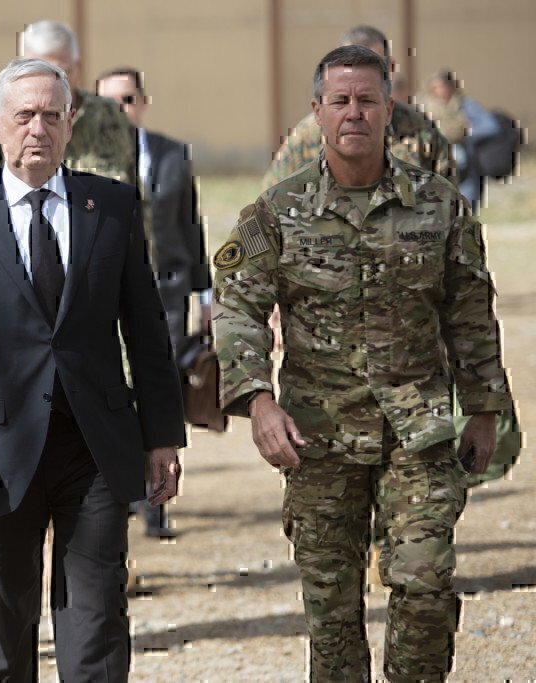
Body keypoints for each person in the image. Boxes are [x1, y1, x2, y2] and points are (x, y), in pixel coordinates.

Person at [213, 45, 511, 681]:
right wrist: (257, 400)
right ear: (317, 112)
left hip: (420, 433)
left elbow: (470, 312)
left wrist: (484, 411)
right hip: (318, 438)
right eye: (340, 101)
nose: (355, 112)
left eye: (367, 100)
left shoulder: (438, 205)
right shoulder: (277, 213)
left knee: (425, 585)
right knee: (332, 609)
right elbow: (236, 309)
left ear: (389, 110)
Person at [0, 58, 185, 682]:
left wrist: (162, 435)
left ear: (71, 123)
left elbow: (146, 329)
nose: (38, 128)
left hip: (96, 445)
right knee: (3, 620)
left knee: (96, 618)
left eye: (52, 115)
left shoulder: (109, 207)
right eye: (24, 116)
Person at [96, 66, 211, 537]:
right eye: (109, 103)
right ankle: (121, 491)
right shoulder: (86, 159)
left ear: (142, 101)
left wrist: (205, 296)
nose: (120, 110)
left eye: (126, 99)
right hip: (108, 296)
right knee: (116, 392)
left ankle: (157, 495)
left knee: (161, 390)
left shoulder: (169, 155)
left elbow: (191, 226)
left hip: (166, 293)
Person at [263, 25, 454, 188]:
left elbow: (450, 209)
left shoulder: (422, 134)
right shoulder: (307, 137)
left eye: (373, 66)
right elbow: (270, 206)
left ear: (391, 68)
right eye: (350, 65)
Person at [0, 20, 137, 184]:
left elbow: (135, 185)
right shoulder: (6, 125)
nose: (49, 83)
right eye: (38, 71)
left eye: (60, 73)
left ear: (77, 67)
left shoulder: (109, 115)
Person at [420, 69, 501, 208]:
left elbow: (490, 127)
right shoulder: (426, 107)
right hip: (436, 166)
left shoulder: (464, 105)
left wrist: (468, 131)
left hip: (464, 166)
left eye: (441, 87)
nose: (439, 91)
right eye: (435, 88)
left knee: (466, 208)